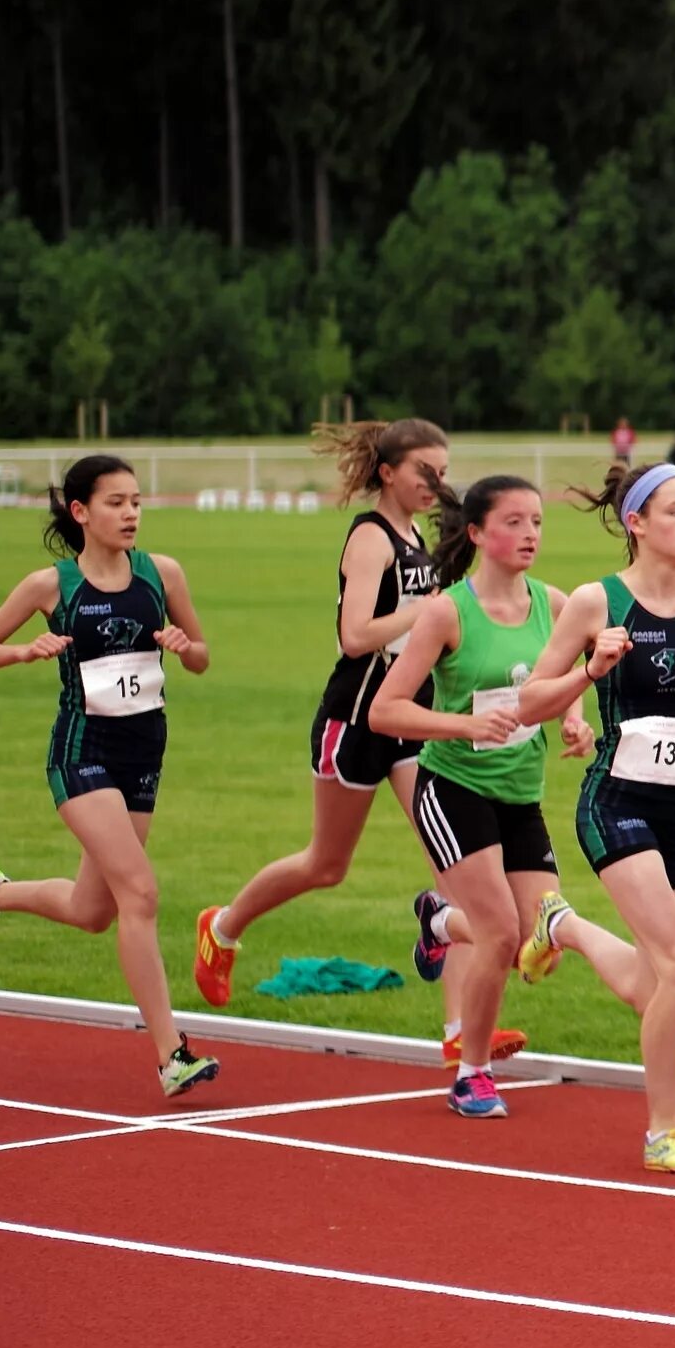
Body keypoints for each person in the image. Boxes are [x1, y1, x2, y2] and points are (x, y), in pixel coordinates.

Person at [194, 420, 523, 1059]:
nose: (437, 484)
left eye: (444, 471)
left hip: (409, 721)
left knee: (453, 874)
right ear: (388, 474)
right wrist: (433, 612)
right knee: (327, 864)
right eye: (425, 471)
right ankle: (224, 927)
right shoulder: (371, 540)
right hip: (355, 719)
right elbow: (355, 636)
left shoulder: (420, 540)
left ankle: (459, 1033)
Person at [0, 454, 222, 1100]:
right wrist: (24, 650)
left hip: (143, 755)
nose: (130, 513)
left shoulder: (162, 573)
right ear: (80, 512)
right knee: (141, 895)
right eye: (116, 502)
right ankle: (170, 1055)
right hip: (81, 752)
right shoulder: (51, 586)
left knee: (93, 910)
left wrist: (185, 649)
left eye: (136, 501)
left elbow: (203, 657)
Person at [505, 462, 675, 1175]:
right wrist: (589, 671)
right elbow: (526, 706)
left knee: (660, 985)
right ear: (637, 523)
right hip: (615, 803)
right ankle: (663, 1130)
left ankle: (565, 927)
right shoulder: (596, 602)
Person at [367, 475, 586, 1123]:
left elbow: (557, 684)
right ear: (478, 534)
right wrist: (466, 724)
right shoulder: (445, 612)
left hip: (521, 792)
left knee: (537, 941)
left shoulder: (556, 604)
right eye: (514, 523)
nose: (529, 535)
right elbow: (386, 710)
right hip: (452, 786)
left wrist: (573, 720)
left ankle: (438, 919)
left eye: (538, 523)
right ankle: (472, 1074)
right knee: (498, 936)